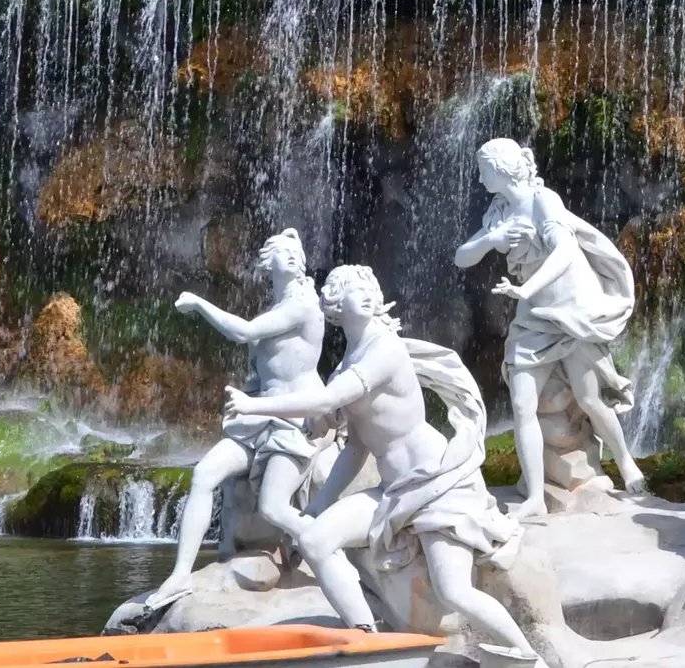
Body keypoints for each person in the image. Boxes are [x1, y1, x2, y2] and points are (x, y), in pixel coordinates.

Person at [226, 265, 534, 658]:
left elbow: (324, 402)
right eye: (356, 289)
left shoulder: (384, 347)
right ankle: (367, 638)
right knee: (315, 540)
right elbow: (356, 448)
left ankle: (531, 657)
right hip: (392, 490)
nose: (368, 293)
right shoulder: (347, 363)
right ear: (335, 303)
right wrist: (320, 505)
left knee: (454, 590)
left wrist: (254, 406)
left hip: (438, 485)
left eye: (371, 286)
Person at [455, 138, 644, 517]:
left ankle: (626, 464)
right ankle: (535, 499)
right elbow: (462, 257)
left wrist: (526, 287)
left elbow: (565, 252)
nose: (478, 177)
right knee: (522, 404)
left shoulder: (544, 201)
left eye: (483, 169)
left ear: (502, 168)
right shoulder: (499, 211)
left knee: (590, 397)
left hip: (571, 310)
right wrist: (491, 239)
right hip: (534, 314)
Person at [148, 229, 328, 608]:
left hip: (290, 419)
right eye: (277, 251)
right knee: (204, 474)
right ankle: (180, 575)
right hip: (257, 419)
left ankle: (329, 548)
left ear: (295, 262)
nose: (275, 256)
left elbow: (242, 332)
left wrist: (199, 302)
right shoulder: (276, 309)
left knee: (273, 508)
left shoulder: (304, 306)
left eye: (282, 251)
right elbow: (263, 367)